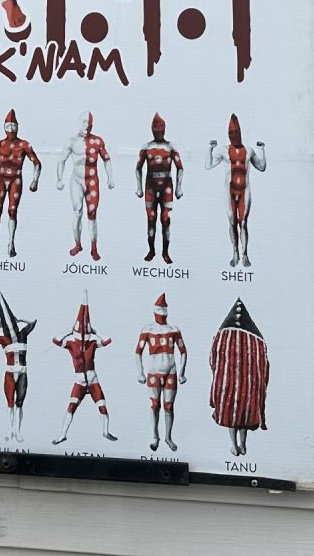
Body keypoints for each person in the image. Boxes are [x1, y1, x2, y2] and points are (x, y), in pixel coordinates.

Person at [209, 299, 269, 457]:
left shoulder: (222, 337)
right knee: (243, 416)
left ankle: (234, 445)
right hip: (248, 387)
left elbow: (213, 360)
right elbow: (264, 366)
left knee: (231, 416)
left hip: (228, 386)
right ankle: (242, 444)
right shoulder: (257, 341)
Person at [52, 297, 117, 444]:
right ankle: (62, 434)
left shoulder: (92, 343)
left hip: (93, 379)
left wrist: (95, 331)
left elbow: (107, 341)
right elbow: (56, 341)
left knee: (102, 405)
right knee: (72, 406)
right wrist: (68, 331)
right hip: (79, 380)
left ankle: (106, 432)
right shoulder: (71, 343)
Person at [207, 114, 267, 268]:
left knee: (243, 222)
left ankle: (245, 254)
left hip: (244, 191)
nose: (234, 136)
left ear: (241, 133)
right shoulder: (223, 150)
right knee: (232, 222)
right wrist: (210, 149)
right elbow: (208, 165)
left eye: (236, 133)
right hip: (229, 191)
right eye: (231, 133)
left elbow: (261, 167)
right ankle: (235, 253)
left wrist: (262, 150)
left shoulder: (249, 150)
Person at [135, 294, 188, 452]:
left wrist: (182, 373)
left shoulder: (174, 329)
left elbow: (183, 351)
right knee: (155, 405)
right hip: (154, 371)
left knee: (168, 406)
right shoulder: (147, 329)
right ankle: (154, 436)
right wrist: (140, 373)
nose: (161, 315)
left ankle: (168, 437)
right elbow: (138, 352)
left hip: (171, 371)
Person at [0, 108, 41, 258]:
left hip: (16, 178)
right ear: (4, 126)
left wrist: (35, 180)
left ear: (18, 126)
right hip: (1, 178)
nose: (11, 129)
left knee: (12, 210)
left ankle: (11, 242)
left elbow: (36, 162)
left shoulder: (24, 144)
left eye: (13, 126)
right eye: (8, 126)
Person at [56, 112, 113, 260]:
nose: (87, 125)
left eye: (90, 123)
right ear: (79, 122)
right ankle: (78, 244)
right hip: (76, 181)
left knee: (92, 214)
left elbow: (107, 159)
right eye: (84, 122)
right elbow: (61, 160)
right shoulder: (71, 141)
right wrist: (59, 179)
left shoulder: (98, 141)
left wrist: (110, 178)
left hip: (92, 181)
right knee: (77, 211)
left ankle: (94, 248)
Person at [0, 291, 36, 442]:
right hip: (9, 373)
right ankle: (9, 431)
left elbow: (33, 322)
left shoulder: (23, 334)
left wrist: (20, 319)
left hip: (22, 372)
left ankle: (17, 431)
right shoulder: (4, 339)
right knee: (10, 404)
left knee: (19, 404)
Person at [135, 112, 184, 263]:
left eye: (161, 127)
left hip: (166, 186)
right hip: (150, 186)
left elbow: (180, 167)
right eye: (156, 128)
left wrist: (179, 188)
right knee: (151, 218)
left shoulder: (170, 147)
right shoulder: (146, 147)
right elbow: (138, 168)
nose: (158, 131)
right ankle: (151, 251)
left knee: (166, 219)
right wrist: (139, 188)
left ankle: (165, 252)